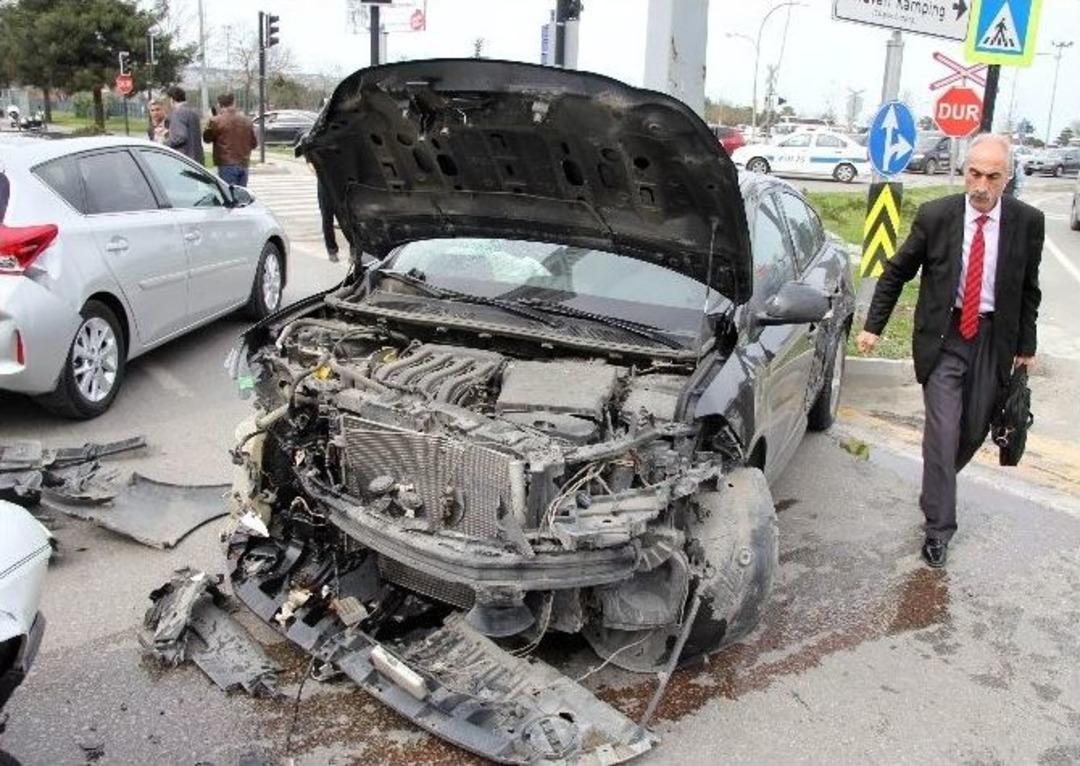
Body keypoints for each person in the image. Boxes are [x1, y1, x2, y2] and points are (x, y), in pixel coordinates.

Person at [857, 133, 1044, 569]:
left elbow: (1029, 289)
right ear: (964, 172)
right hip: (945, 338)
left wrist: (1026, 346)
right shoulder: (936, 216)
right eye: (974, 174)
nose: (981, 185)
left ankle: (935, 486)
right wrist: (873, 327)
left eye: (992, 177)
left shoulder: (1027, 221)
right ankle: (939, 529)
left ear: (1008, 177)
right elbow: (896, 272)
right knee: (942, 434)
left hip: (993, 339)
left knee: (973, 431)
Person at [202, 93, 258, 187]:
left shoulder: (216, 120)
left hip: (226, 164)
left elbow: (207, 139)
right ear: (233, 103)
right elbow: (254, 143)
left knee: (228, 193)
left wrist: (212, 119)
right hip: (244, 163)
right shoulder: (247, 120)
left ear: (219, 105)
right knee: (241, 193)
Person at [164, 85, 204, 164]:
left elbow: (179, 137)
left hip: (184, 160)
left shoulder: (178, 113)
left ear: (172, 99)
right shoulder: (193, 112)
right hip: (197, 160)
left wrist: (164, 143)